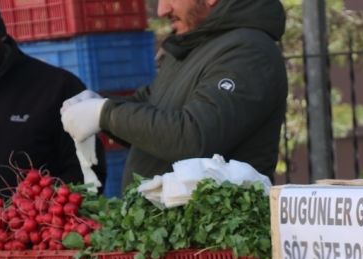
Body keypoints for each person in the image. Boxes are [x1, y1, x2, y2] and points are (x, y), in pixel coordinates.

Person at [61, 0, 287, 189]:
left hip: (212, 236)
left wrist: (106, 113)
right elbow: (151, 104)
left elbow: (195, 136)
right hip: (166, 231)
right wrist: (99, 104)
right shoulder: (195, 45)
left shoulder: (249, 51)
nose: (162, 10)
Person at [0, 0, 106, 194]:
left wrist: (34, 213)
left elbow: (87, 174)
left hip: (37, 221)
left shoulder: (57, 88)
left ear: (0, 35)